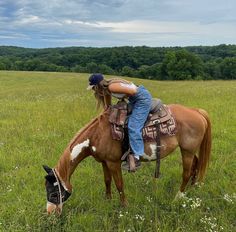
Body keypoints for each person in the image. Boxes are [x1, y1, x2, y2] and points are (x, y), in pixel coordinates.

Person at [87, 73, 152, 171]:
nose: (93, 90)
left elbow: (133, 91)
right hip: (133, 100)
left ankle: (137, 157)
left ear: (98, 85)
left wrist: (123, 97)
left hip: (141, 99)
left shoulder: (112, 87)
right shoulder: (107, 90)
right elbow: (107, 107)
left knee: (133, 126)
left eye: (93, 87)